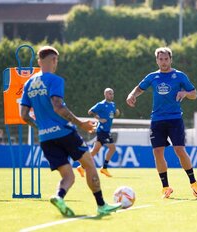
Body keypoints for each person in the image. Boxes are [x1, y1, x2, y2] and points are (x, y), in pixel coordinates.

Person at [20, 45, 121, 216]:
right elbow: (58, 107)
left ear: (38, 61)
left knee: (68, 177)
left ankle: (59, 196)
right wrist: (80, 123)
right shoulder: (54, 80)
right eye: (56, 60)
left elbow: (23, 115)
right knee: (89, 165)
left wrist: (41, 127)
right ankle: (101, 205)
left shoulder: (28, 84)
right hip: (65, 133)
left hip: (45, 138)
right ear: (53, 60)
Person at [126, 47, 197, 198]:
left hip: (174, 119)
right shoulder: (152, 77)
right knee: (157, 152)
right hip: (157, 120)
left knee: (179, 150)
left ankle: (193, 183)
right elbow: (140, 88)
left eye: (166, 59)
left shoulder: (179, 76)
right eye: (161, 59)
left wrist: (185, 93)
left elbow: (194, 94)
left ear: (170, 59)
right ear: (157, 60)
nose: (164, 62)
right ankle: (165, 187)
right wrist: (132, 94)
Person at [77, 88, 120, 178]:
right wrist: (99, 119)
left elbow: (113, 114)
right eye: (109, 94)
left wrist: (117, 113)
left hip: (106, 130)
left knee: (95, 150)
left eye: (112, 93)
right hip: (102, 130)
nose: (111, 95)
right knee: (112, 148)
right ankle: (104, 168)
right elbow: (90, 111)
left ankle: (81, 167)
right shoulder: (101, 104)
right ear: (105, 95)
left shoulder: (113, 104)